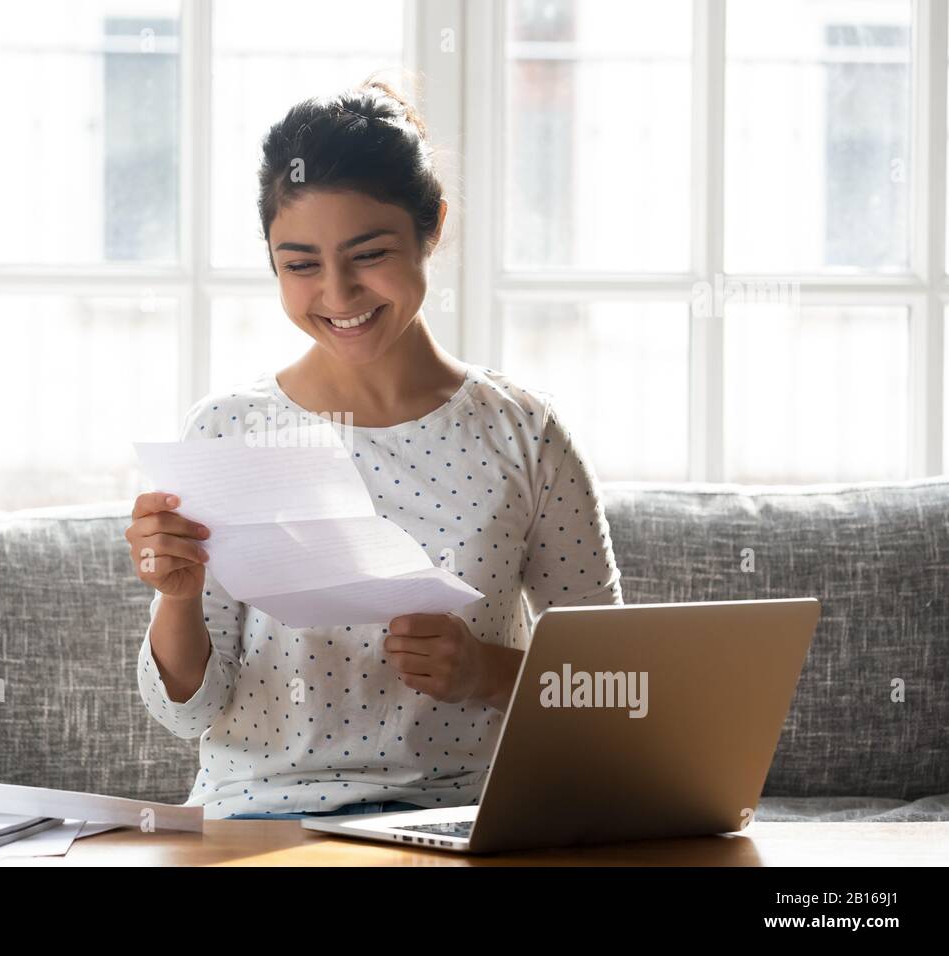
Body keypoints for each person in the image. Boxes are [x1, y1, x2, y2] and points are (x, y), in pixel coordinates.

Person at [124, 78, 624, 821]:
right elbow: (188, 714)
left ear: (433, 228)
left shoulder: (525, 433)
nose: (338, 293)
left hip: (460, 819)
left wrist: (486, 673)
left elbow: (615, 693)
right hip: (261, 820)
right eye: (300, 265)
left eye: (369, 253)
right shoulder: (229, 429)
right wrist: (178, 594)